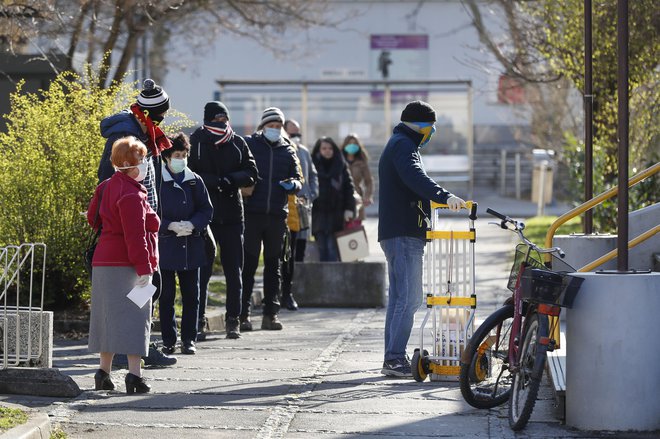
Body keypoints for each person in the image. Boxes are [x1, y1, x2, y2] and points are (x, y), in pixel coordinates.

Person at [378, 100, 466, 377]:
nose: (433, 131)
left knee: (399, 299)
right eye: (431, 126)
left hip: (397, 231)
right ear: (420, 125)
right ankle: (393, 359)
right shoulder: (403, 145)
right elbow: (415, 178)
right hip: (403, 232)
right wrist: (445, 196)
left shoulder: (400, 143)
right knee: (410, 298)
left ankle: (392, 357)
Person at [97, 78, 177, 367]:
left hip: (144, 225)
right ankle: (130, 347)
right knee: (141, 285)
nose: (164, 120)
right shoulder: (127, 139)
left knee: (145, 286)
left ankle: (134, 345)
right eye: (163, 114)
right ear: (153, 115)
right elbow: (108, 182)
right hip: (130, 228)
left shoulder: (144, 135)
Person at [87, 136, 159, 394]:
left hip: (104, 261)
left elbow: (92, 218)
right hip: (128, 265)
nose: (146, 164)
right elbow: (135, 236)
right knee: (135, 318)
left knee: (106, 318)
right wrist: (144, 269)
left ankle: (103, 373)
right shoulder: (131, 194)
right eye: (142, 159)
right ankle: (134, 376)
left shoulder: (106, 186)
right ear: (131, 163)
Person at [189, 102, 258, 340]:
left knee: (233, 271)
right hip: (204, 216)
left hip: (231, 215)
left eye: (224, 120)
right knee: (202, 272)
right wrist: (213, 181)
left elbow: (251, 172)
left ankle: (233, 320)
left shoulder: (237, 142)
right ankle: (198, 321)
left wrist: (229, 180)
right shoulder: (196, 141)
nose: (221, 124)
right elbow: (189, 173)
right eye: (216, 120)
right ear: (207, 119)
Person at [242, 107, 303, 331]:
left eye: (278, 126)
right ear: (263, 125)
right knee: (247, 264)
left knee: (273, 265)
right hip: (252, 213)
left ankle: (271, 314)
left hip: (277, 214)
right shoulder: (250, 144)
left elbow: (298, 179)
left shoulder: (288, 150)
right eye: (271, 126)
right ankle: (243, 314)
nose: (275, 130)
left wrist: (293, 185)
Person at [157, 133, 213, 355]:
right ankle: (169, 340)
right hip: (166, 246)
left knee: (192, 296)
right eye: (176, 155)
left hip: (191, 245)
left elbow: (206, 209)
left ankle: (189, 339)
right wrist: (168, 225)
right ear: (167, 157)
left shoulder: (194, 180)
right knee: (167, 296)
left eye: (184, 155)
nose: (181, 159)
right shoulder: (158, 181)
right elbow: (149, 212)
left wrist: (193, 224)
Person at [281, 119, 318, 310]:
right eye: (292, 133)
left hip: (301, 210)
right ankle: (280, 292)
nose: (295, 137)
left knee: (298, 251)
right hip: (282, 210)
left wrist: (310, 195)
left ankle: (291, 291)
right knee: (282, 253)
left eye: (298, 133)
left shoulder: (303, 151)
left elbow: (312, 176)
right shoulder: (282, 150)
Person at [311, 136, 357, 262]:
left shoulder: (341, 165)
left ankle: (333, 280)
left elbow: (349, 188)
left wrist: (349, 208)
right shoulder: (312, 165)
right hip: (318, 216)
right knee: (321, 249)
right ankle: (322, 280)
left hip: (336, 215)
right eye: (324, 148)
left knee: (333, 250)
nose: (327, 151)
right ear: (318, 150)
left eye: (330, 148)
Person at [341, 134, 374, 222]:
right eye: (350, 143)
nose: (352, 146)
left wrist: (367, 196)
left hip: (357, 198)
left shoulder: (362, 162)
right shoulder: (339, 160)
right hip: (341, 197)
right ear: (345, 145)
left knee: (355, 229)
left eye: (354, 144)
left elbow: (368, 181)